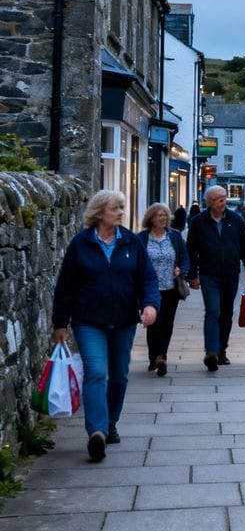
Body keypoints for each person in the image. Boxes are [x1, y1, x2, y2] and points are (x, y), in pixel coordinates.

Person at [51, 189, 159, 462]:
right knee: (97, 372)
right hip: (89, 321)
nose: (121, 213)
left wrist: (150, 305)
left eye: (121, 208)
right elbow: (65, 286)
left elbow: (147, 279)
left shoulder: (132, 243)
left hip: (123, 320)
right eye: (115, 209)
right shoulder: (80, 244)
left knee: (120, 375)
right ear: (99, 213)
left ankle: (110, 423)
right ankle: (96, 432)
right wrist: (60, 322)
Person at [186, 185, 245, 372]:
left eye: (224, 198)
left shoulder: (236, 220)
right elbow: (191, 250)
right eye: (219, 199)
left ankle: (222, 351)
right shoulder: (198, 222)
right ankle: (211, 351)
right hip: (209, 274)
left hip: (231, 274)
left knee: (226, 313)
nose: (223, 202)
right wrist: (192, 275)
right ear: (209, 202)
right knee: (213, 311)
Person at [137, 203, 189, 378]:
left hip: (171, 288)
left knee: (167, 323)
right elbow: (136, 262)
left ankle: (161, 357)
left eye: (165, 215)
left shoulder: (174, 236)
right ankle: (155, 357)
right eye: (159, 215)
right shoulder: (142, 238)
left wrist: (181, 270)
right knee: (154, 323)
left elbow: (184, 258)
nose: (163, 218)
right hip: (150, 289)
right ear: (151, 218)